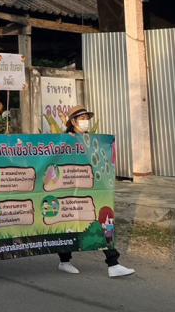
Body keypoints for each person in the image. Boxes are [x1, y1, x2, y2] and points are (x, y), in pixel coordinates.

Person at [55, 106, 135, 278]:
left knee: (102, 222)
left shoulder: (91, 139)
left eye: (86, 118)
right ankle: (64, 260)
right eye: (81, 118)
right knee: (69, 224)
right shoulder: (65, 139)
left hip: (91, 189)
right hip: (70, 189)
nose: (85, 121)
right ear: (73, 122)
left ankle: (113, 263)